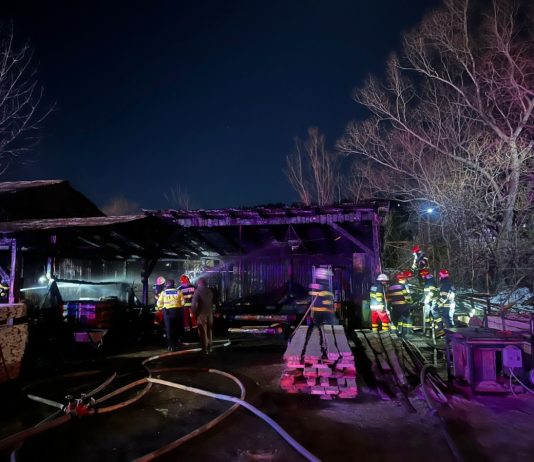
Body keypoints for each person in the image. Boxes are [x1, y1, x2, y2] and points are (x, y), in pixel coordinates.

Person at [156, 279, 184, 351]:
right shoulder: (179, 292)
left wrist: (162, 307)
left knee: (168, 329)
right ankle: (176, 343)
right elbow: (183, 303)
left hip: (167, 313)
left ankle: (170, 346)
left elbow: (159, 304)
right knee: (176, 328)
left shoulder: (163, 293)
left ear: (167, 284)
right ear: (174, 284)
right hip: (177, 312)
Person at [191, 277, 214, 354]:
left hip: (201, 314)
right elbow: (213, 302)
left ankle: (205, 349)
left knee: (202, 331)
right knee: (209, 330)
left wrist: (194, 313)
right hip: (210, 313)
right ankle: (210, 347)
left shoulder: (197, 291)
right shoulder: (210, 290)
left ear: (199, 283)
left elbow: (194, 304)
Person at [387, 272, 413, 337]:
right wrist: (410, 302)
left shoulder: (390, 287)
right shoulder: (402, 286)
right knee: (406, 319)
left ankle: (394, 333)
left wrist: (389, 305)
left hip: (394, 307)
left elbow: (388, 298)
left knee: (394, 320)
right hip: (403, 306)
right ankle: (405, 334)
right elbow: (406, 296)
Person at [420, 269, 439, 337]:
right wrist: (421, 301)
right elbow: (425, 293)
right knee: (427, 315)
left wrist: (427, 299)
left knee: (434, 313)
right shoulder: (428, 281)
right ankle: (428, 330)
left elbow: (431, 292)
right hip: (429, 301)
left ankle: (438, 329)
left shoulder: (430, 281)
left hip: (432, 301)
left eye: (422, 275)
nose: (422, 277)